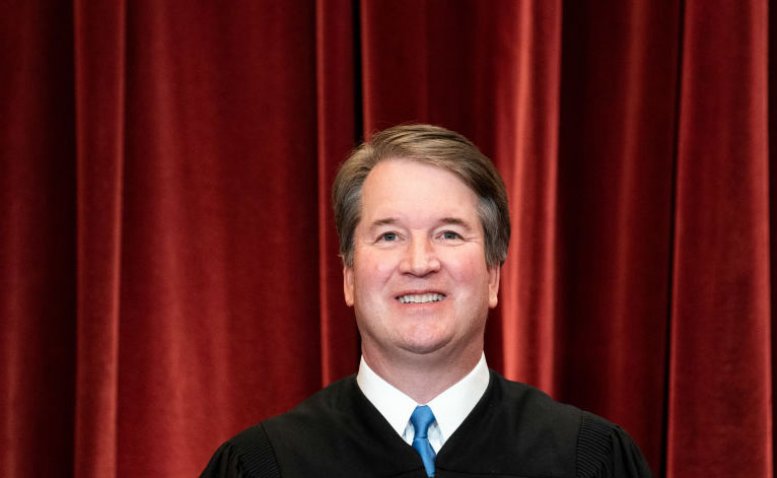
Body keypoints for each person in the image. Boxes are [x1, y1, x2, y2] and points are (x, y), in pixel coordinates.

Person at [201, 124, 652, 477]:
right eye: (390, 235)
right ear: (349, 276)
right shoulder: (264, 466)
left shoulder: (589, 462)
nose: (419, 262)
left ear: (494, 274)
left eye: (449, 233)